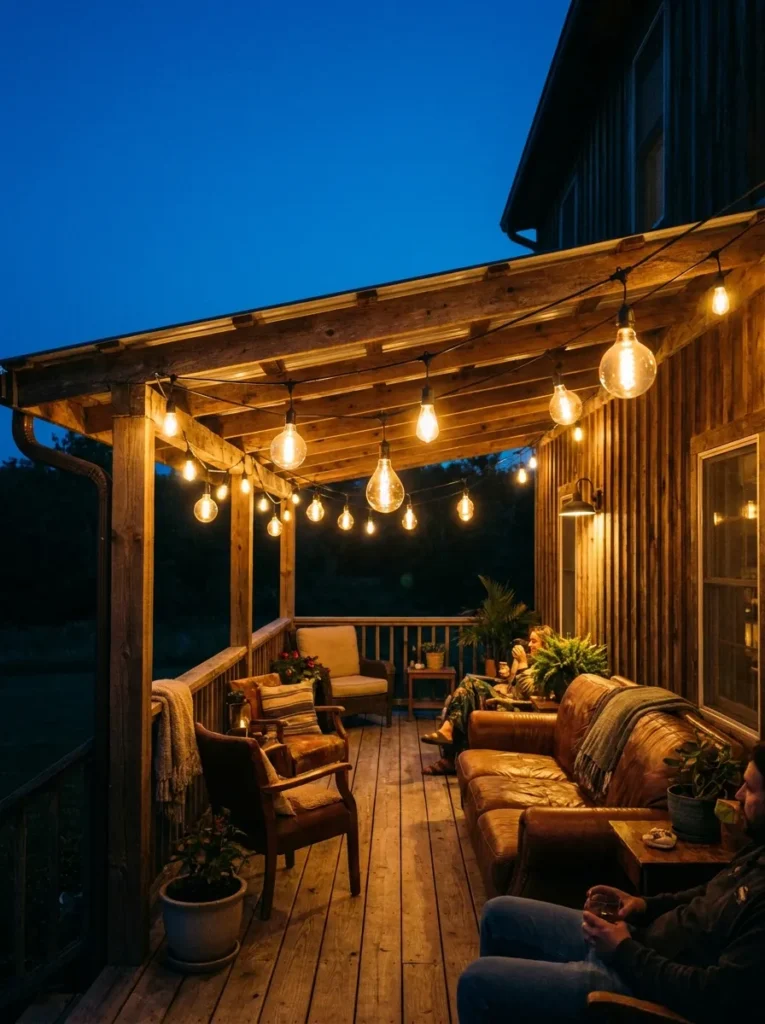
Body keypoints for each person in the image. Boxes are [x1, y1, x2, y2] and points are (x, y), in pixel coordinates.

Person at [457, 742, 765, 1023]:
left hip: (638, 987)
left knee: (476, 982)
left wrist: (622, 950)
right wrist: (642, 905)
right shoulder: (758, 847)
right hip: (637, 941)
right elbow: (705, 894)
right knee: (498, 914)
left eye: (749, 789)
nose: (737, 795)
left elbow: (712, 997)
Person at [420, 625, 554, 776]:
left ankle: (448, 749)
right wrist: (509, 675)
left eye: (533, 641)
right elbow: (518, 686)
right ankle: (449, 750)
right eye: (529, 641)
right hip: (506, 697)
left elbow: (531, 691)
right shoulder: (533, 661)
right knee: (464, 691)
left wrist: (522, 664)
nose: (529, 645)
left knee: (470, 684)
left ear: (545, 644)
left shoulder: (548, 666)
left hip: (513, 708)